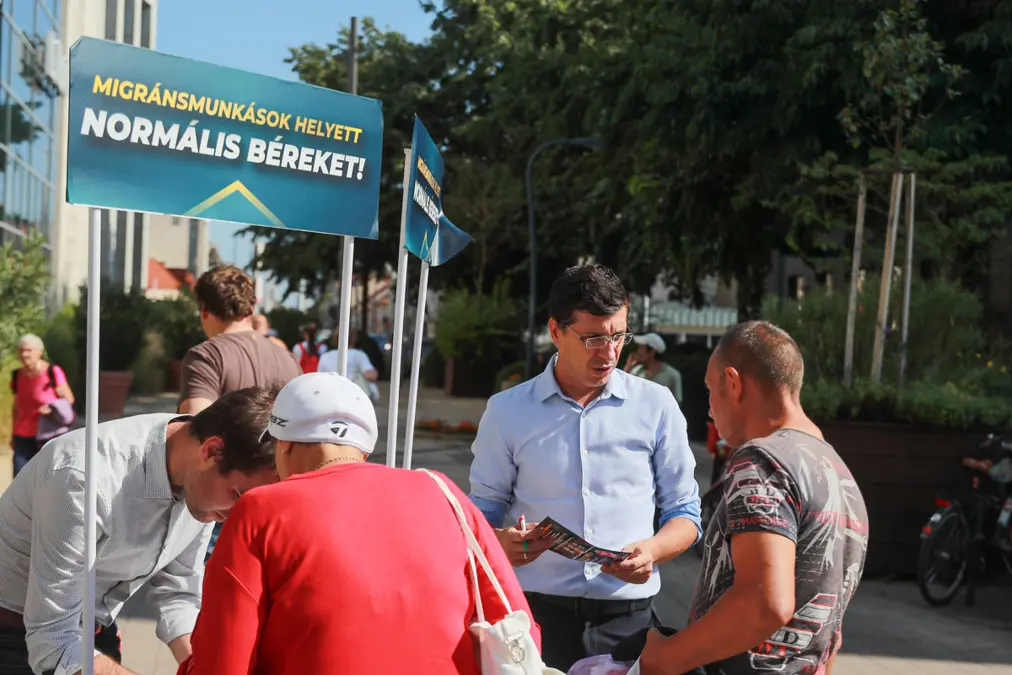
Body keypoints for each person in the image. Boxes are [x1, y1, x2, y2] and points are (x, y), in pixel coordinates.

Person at [177, 372, 538, 674]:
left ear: (283, 445)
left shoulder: (261, 510)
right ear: (363, 450)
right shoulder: (442, 491)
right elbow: (520, 627)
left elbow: (223, 663)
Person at [468, 263, 701, 672]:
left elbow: (685, 512)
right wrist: (501, 542)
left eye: (618, 336)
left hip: (628, 619)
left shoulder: (656, 405)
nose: (609, 352)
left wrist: (652, 551)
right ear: (556, 331)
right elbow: (479, 516)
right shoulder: (507, 412)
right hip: (536, 619)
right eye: (593, 337)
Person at [638, 321, 869, 675]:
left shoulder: (762, 460)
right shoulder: (839, 472)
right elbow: (831, 634)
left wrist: (663, 658)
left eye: (710, 390)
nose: (710, 409)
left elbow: (765, 602)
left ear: (733, 383)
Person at [0, 386, 279, 675]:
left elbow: (178, 595)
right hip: (14, 634)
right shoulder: (85, 477)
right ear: (211, 451)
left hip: (90, 627)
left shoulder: (203, 481)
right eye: (236, 496)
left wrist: (206, 666)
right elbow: (53, 640)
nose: (233, 517)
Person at [178, 264, 302, 415]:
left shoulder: (205, 357)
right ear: (251, 307)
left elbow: (194, 430)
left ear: (204, 310)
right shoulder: (288, 359)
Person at [9, 334, 75, 477]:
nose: (24, 354)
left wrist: (52, 407)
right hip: (22, 435)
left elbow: (69, 399)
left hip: (47, 435)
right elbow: (16, 407)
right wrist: (12, 435)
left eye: (28, 350)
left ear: (39, 352)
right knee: (20, 478)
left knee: (46, 477)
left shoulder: (52, 372)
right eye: (21, 350)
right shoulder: (17, 375)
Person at [317, 328, 380, 400]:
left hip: (332, 397)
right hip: (355, 397)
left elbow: (320, 378)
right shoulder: (358, 354)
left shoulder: (325, 356)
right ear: (354, 339)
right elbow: (369, 375)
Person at [623, 332, 683, 405]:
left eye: (641, 348)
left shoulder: (673, 375)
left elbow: (677, 403)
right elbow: (623, 390)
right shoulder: (636, 371)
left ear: (652, 351)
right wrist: (628, 366)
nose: (638, 352)